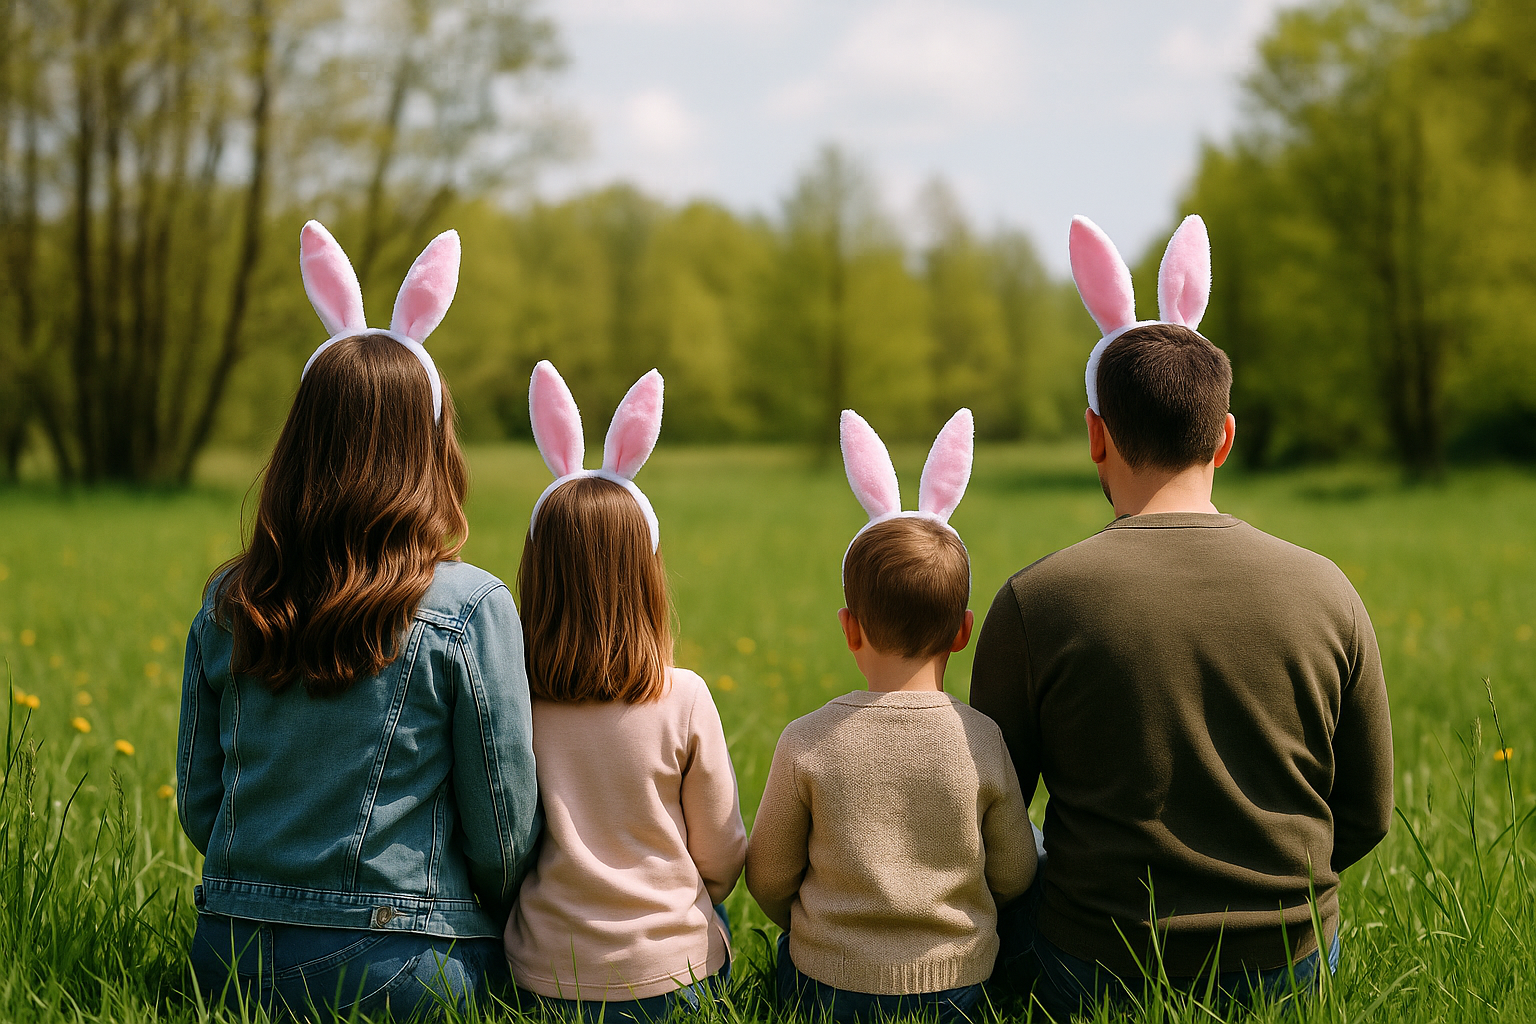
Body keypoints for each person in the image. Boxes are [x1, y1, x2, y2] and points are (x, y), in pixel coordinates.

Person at [971, 214, 1394, 1018]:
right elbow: (1368, 811)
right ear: (1224, 437)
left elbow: (993, 820)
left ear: (1097, 436)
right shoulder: (1327, 589)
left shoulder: (1037, 601)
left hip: (1096, 966)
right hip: (1292, 966)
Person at [178, 222, 541, 1021]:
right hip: (398, 963)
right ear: (432, 447)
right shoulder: (469, 607)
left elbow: (202, 807)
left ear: (301, 448)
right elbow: (504, 830)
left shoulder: (231, 599)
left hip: (228, 954)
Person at [746, 409, 1038, 1024]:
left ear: (849, 628)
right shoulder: (980, 739)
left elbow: (768, 877)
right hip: (956, 984)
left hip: (826, 984)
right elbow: (1014, 872)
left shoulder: (808, 740)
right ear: (962, 633)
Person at [504, 361, 747, 1023]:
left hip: (544, 979)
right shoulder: (685, 697)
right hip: (674, 980)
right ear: (647, 577)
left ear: (537, 575)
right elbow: (721, 858)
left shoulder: (512, 699)